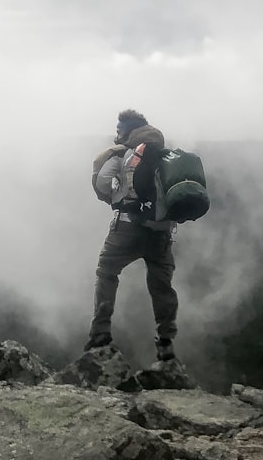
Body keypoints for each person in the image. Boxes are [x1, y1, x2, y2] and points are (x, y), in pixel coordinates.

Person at [86, 109, 178, 361]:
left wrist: (113, 197)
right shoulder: (166, 153)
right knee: (161, 286)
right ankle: (166, 343)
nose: (116, 134)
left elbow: (103, 181)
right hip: (160, 232)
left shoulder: (123, 153)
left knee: (107, 272)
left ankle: (100, 333)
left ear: (128, 129)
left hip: (126, 228)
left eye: (118, 129)